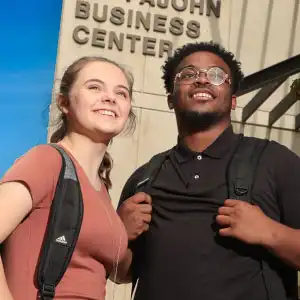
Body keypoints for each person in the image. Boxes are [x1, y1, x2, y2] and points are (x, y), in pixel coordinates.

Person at [116, 41, 300, 300]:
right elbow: (122, 272)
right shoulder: (144, 178)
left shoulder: (274, 160)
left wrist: (269, 232)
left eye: (216, 75)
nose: (202, 79)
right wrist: (119, 235)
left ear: (233, 100)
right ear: (170, 99)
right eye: (188, 74)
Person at [0, 56, 136, 300]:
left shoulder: (101, 189)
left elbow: (118, 272)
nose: (110, 98)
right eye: (94, 87)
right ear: (64, 103)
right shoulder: (46, 161)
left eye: (122, 93)